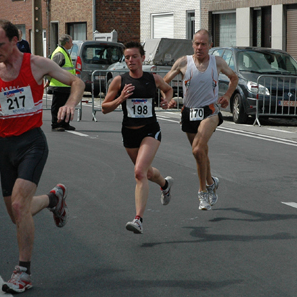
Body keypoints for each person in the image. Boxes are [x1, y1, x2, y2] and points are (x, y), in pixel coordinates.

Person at [0, 20, 84, 294]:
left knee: (18, 206)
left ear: (15, 40)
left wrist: (71, 104)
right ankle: (54, 198)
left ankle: (23, 272)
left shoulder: (37, 65)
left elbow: (77, 81)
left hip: (32, 143)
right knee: (18, 214)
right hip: (4, 147)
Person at [102, 41, 174, 234]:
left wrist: (167, 100)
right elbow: (104, 108)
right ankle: (165, 185)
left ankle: (138, 219)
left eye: (134, 56)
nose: (130, 60)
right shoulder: (119, 81)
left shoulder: (153, 78)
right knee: (147, 173)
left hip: (150, 130)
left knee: (139, 172)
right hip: (129, 132)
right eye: (127, 57)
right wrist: (120, 99)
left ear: (143, 58)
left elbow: (168, 89)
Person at [163, 29, 238, 211]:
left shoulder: (217, 62)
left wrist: (227, 95)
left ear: (210, 46)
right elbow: (164, 82)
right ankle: (211, 183)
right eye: (197, 43)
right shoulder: (183, 62)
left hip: (210, 112)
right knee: (200, 153)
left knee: (197, 149)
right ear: (192, 44)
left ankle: (202, 192)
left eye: (203, 44)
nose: (199, 47)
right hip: (189, 113)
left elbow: (233, 77)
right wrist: (168, 98)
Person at [49, 34, 76, 131]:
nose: (72, 44)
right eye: (71, 42)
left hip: (66, 84)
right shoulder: (59, 53)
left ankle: (65, 123)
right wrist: (48, 81)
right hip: (59, 85)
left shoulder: (64, 52)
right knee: (57, 106)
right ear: (67, 42)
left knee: (65, 105)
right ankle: (56, 124)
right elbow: (51, 69)